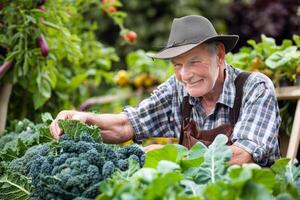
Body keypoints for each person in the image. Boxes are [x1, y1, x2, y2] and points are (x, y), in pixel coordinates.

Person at [50, 15, 281, 167]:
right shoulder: (177, 89)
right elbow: (126, 125)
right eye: (177, 65)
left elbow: (241, 156)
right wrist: (83, 120)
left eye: (194, 61)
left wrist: (169, 154)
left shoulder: (255, 88)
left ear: (219, 55)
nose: (185, 75)